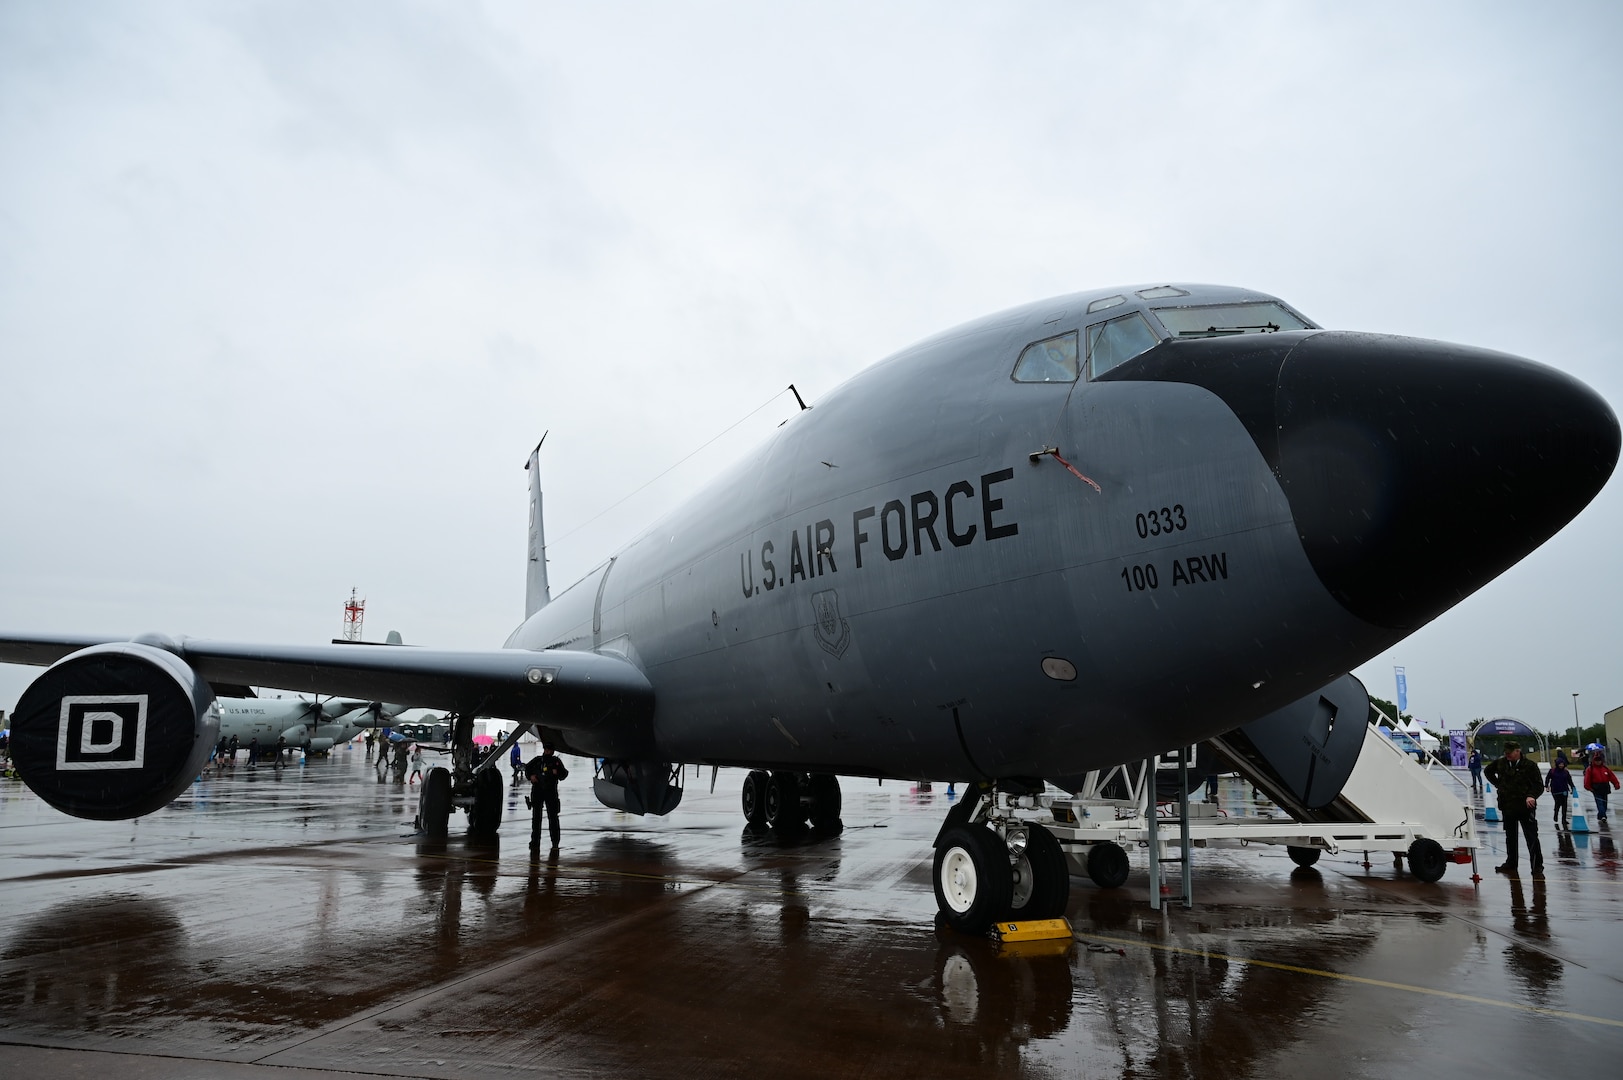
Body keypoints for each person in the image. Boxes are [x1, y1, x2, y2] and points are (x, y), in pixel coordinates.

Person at [1485, 741, 1543, 876]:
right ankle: (1511, 863)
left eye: (1510, 752)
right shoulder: (1501, 763)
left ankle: (1537, 866)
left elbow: (1539, 785)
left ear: (1518, 751)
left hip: (1525, 806)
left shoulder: (1529, 766)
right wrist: (1498, 784)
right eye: (1506, 752)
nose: (1507, 755)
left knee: (1531, 837)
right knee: (1510, 837)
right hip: (1508, 805)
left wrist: (1531, 796)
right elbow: (1488, 771)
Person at [525, 742, 569, 853]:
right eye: (547, 749)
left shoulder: (556, 762)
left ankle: (555, 842)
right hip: (538, 791)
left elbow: (564, 774)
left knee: (553, 817)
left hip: (550, 792)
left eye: (550, 750)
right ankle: (535, 842)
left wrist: (557, 772)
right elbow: (527, 769)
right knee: (536, 818)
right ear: (544, 749)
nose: (549, 751)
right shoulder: (538, 761)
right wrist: (531, 777)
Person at [1584, 752, 1620, 823]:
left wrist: (1616, 784)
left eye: (1599, 760)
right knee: (1599, 803)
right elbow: (1587, 779)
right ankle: (1603, 816)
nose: (1598, 762)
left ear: (1601, 761)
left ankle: (1600, 815)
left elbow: (1612, 777)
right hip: (1596, 788)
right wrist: (1588, 787)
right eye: (1596, 760)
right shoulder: (1590, 769)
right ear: (1594, 761)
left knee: (1604, 803)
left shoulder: (1605, 768)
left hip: (1605, 787)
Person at [1547, 756, 1574, 830]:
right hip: (1555, 790)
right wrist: (1546, 786)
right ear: (1557, 764)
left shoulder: (1566, 772)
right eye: (1560, 764)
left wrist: (1572, 787)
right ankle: (1555, 814)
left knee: (1565, 804)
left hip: (1564, 790)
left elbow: (1569, 780)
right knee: (1558, 803)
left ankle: (1564, 819)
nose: (1561, 765)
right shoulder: (1552, 771)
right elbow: (1547, 778)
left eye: (1562, 764)